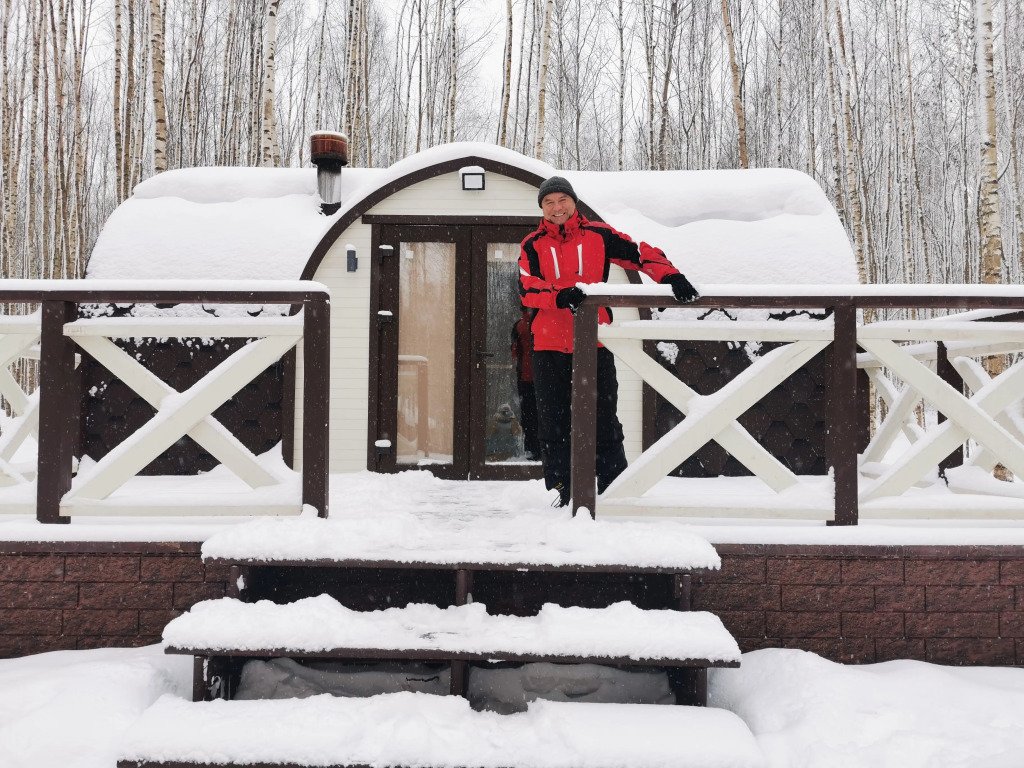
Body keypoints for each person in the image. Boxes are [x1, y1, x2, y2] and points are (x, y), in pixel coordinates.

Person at [518, 176, 700, 507]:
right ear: (542, 208)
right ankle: (563, 488)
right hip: (548, 345)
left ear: (573, 202)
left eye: (562, 200)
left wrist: (670, 276)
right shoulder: (532, 244)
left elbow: (640, 254)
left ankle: (614, 487)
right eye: (549, 202)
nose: (557, 207)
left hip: (595, 342)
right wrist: (561, 295)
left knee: (604, 415)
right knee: (553, 420)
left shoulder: (599, 235)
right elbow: (528, 288)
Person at [510, 308, 540, 459]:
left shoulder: (519, 326)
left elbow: (514, 352)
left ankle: (531, 450)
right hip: (544, 377)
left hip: (525, 378)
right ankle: (544, 450)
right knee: (545, 415)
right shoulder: (541, 323)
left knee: (529, 415)